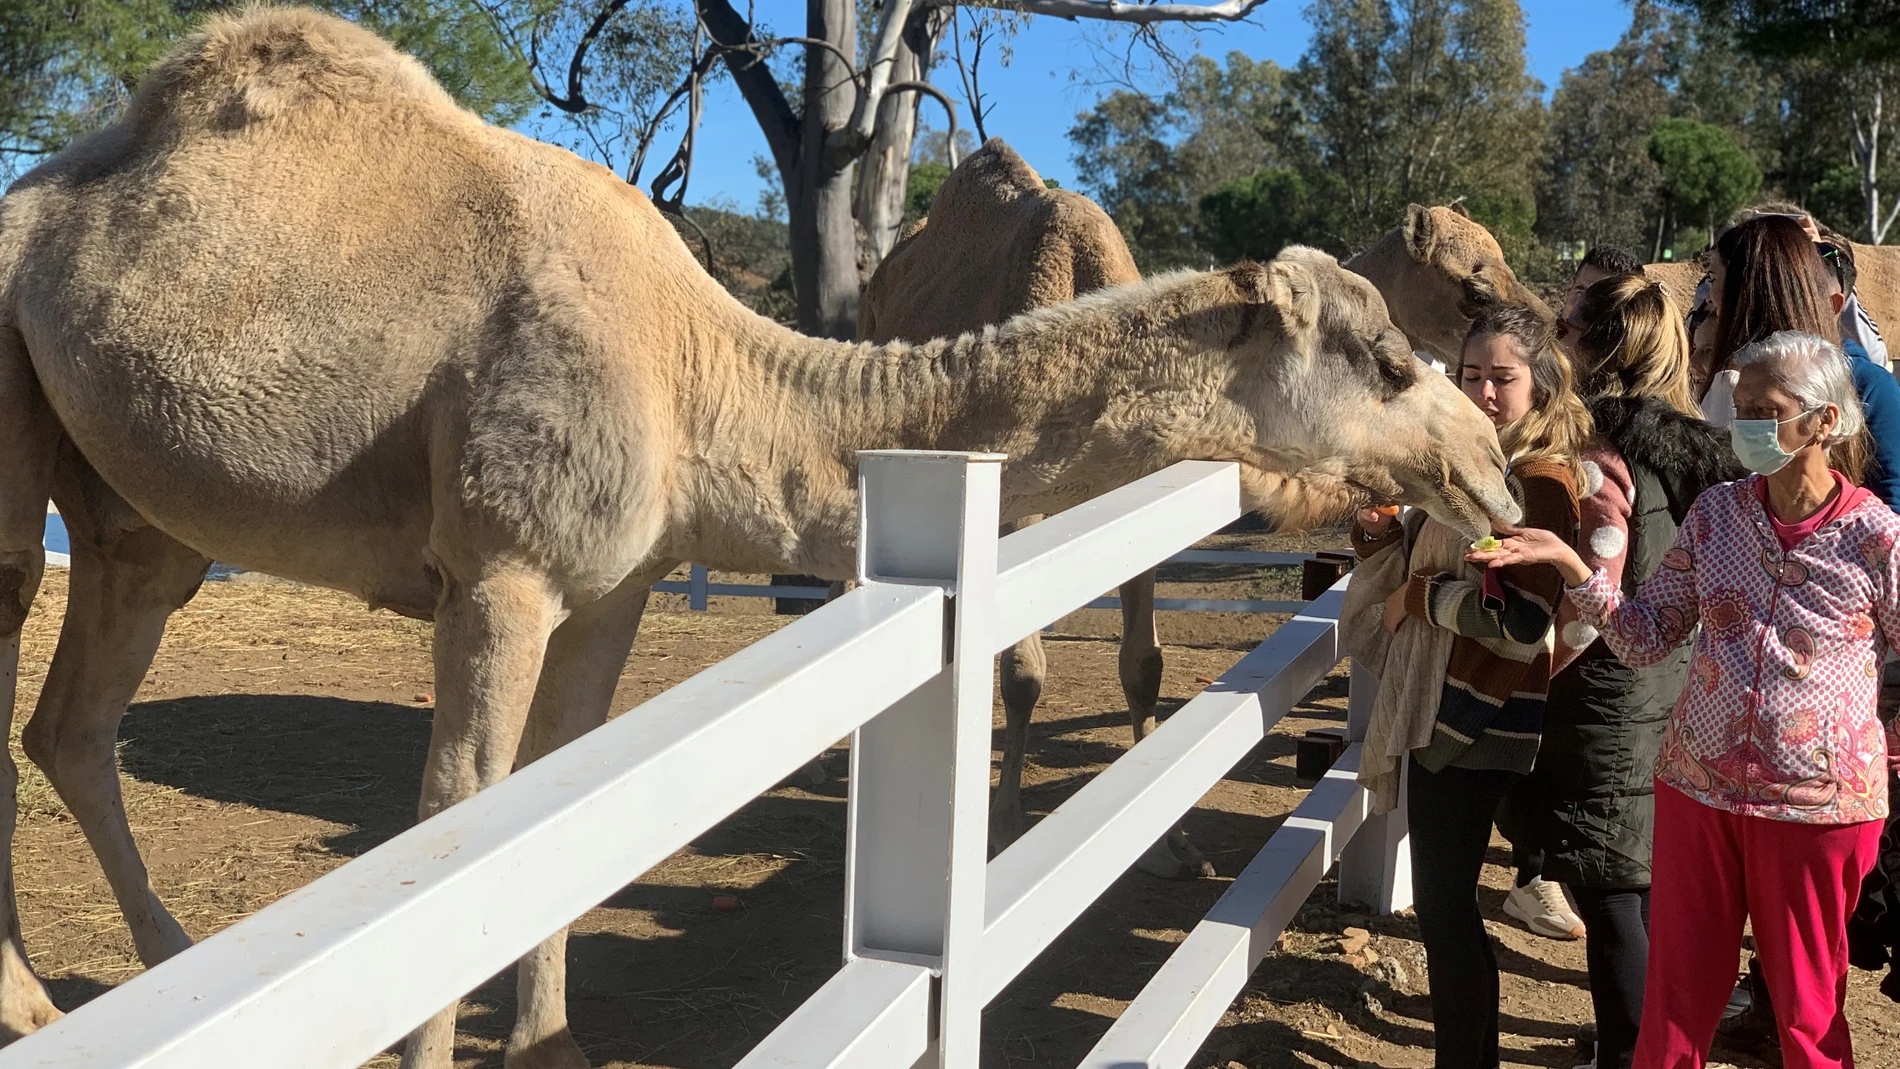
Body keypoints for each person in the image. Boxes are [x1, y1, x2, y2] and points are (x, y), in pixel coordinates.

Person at [1471, 331, 1900, 1069]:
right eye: (1741, 408)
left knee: (1806, 1009)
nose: (1746, 426)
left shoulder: (1874, 535)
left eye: (1768, 410)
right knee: (1677, 999)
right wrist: (1575, 564)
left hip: (1818, 808)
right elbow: (1644, 638)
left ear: (1825, 421)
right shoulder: (1718, 514)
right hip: (1697, 789)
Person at [1343, 304, 1587, 1069]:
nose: (1483, 392)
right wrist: (1384, 529)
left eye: (1502, 378)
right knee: (1446, 913)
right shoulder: (1472, 466)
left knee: (1447, 913)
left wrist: (1417, 599)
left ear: (1540, 383)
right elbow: (1435, 557)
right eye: (1471, 375)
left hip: (1477, 715)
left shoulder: (1540, 481)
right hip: (1450, 707)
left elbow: (1518, 622)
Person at [1514, 272, 1745, 1069]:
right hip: (1668, 686)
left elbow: (1596, 587)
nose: (1558, 337)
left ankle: (1627, 1056)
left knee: (1609, 891)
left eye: (1568, 327)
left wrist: (1531, 662)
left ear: (1601, 349)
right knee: (1637, 887)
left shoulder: (1597, 452)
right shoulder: (1689, 449)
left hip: (1605, 694)